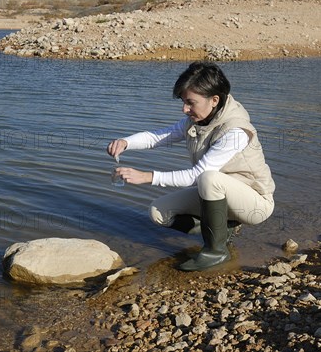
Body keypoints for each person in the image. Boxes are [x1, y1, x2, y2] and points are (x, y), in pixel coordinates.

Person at [107, 61, 275, 271]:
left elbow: (197, 175)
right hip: (221, 195)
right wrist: (126, 142)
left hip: (255, 204)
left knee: (208, 178)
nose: (184, 109)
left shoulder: (235, 131)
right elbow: (159, 137)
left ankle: (216, 252)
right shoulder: (198, 120)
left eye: (190, 103)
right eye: (183, 102)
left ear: (214, 100)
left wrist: (147, 176)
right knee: (159, 212)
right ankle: (223, 230)